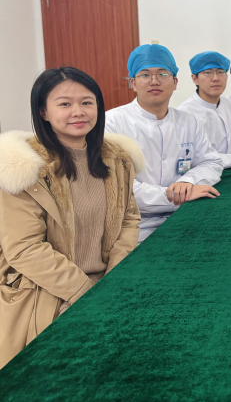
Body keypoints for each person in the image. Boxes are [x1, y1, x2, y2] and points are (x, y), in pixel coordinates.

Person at [0, 67, 143, 369]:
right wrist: (85, 294)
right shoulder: (24, 168)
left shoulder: (117, 159)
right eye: (64, 104)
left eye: (87, 102)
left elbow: (129, 219)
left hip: (107, 285)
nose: (78, 112)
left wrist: (113, 281)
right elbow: (25, 248)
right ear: (44, 111)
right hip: (49, 292)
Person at [105, 44, 224, 243]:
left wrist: (188, 181)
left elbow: (211, 162)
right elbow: (118, 187)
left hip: (185, 217)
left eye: (163, 74)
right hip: (133, 227)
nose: (154, 81)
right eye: (145, 75)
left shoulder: (188, 121)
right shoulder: (112, 123)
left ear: (175, 82)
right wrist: (175, 196)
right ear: (133, 83)